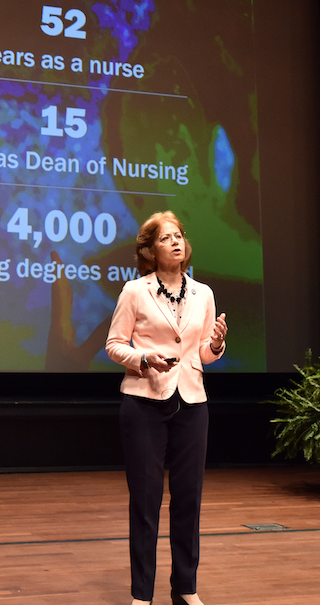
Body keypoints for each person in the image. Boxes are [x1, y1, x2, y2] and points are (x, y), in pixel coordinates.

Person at [105, 211, 227, 605]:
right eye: (165, 238)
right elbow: (114, 344)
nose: (175, 242)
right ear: (150, 250)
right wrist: (143, 358)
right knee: (146, 501)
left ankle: (186, 589)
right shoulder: (134, 291)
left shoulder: (203, 294)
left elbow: (204, 354)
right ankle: (142, 594)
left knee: (188, 499)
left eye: (179, 236)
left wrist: (218, 344)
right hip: (144, 402)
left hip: (192, 402)